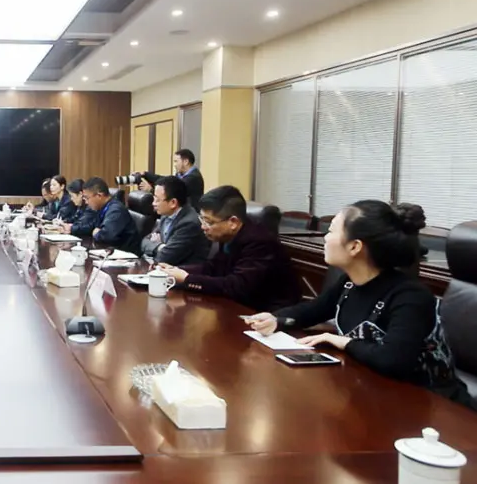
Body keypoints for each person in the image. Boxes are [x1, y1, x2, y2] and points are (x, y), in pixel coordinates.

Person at [246, 201, 475, 410]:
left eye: (331, 231)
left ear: (355, 246)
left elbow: (393, 360)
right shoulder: (349, 283)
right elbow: (313, 310)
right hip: (375, 393)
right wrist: (277, 319)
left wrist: (342, 341)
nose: (325, 238)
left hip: (433, 406)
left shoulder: (410, 297)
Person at [160, 185, 299, 312]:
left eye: (208, 222)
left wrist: (187, 279)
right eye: (202, 219)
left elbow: (236, 286)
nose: (203, 227)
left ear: (233, 222)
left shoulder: (260, 242)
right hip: (237, 306)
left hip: (267, 314)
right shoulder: (229, 235)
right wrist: (175, 271)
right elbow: (212, 268)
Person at [140, 176, 209, 265]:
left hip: (182, 270)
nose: (153, 203)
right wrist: (160, 247)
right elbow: (144, 242)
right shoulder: (166, 214)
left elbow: (165, 257)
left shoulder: (189, 224)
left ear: (173, 203)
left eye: (157, 200)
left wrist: (158, 246)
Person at [83, 177, 140, 254]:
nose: (86, 202)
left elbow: (106, 236)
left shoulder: (116, 210)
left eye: (87, 198)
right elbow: (93, 226)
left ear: (99, 196)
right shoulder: (102, 207)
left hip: (125, 255)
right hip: (110, 251)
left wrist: (96, 233)